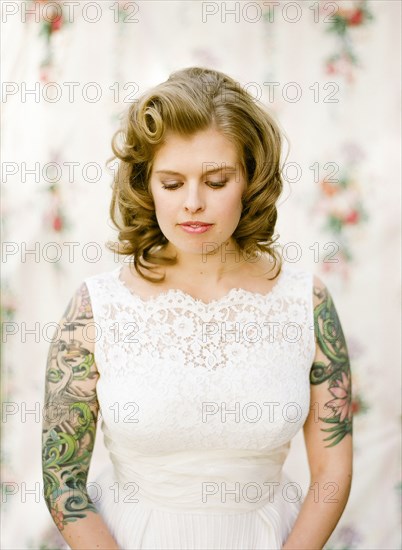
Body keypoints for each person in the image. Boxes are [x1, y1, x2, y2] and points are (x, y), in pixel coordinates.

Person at [41, 67, 353, 550]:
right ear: (146, 186)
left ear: (250, 178)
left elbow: (332, 470)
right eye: (171, 183)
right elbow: (62, 481)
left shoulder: (306, 303)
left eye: (216, 180)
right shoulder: (96, 309)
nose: (192, 203)